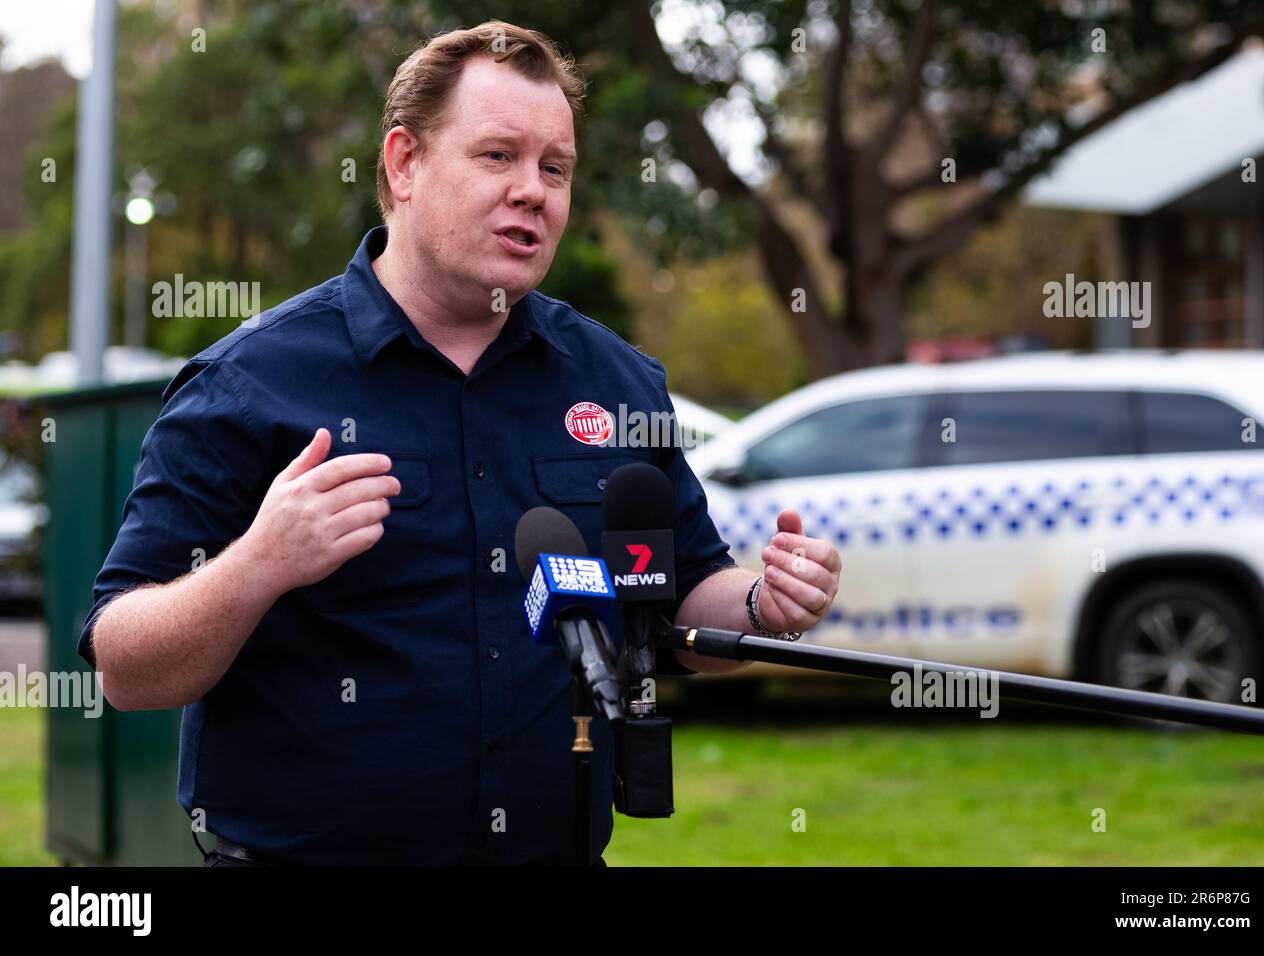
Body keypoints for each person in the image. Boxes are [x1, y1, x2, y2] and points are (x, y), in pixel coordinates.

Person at [79, 20, 842, 866]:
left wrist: (759, 607)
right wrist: (260, 561)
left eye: (555, 168)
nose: (534, 191)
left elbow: (679, 592)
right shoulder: (249, 385)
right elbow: (126, 666)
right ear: (404, 163)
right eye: (498, 157)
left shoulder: (619, 384)